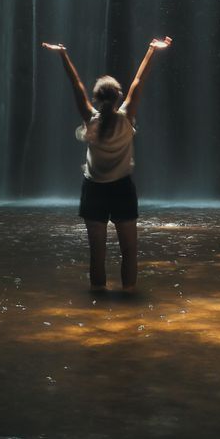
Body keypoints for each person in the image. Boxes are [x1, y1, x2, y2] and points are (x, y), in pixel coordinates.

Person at [42, 37, 172, 292]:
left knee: (96, 254)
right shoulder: (127, 119)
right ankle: (129, 297)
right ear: (119, 97)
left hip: (94, 190)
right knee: (129, 252)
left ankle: (98, 303)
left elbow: (76, 85)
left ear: (96, 99)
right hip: (122, 188)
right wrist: (152, 50)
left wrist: (63, 55)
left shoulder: (90, 121)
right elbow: (139, 82)